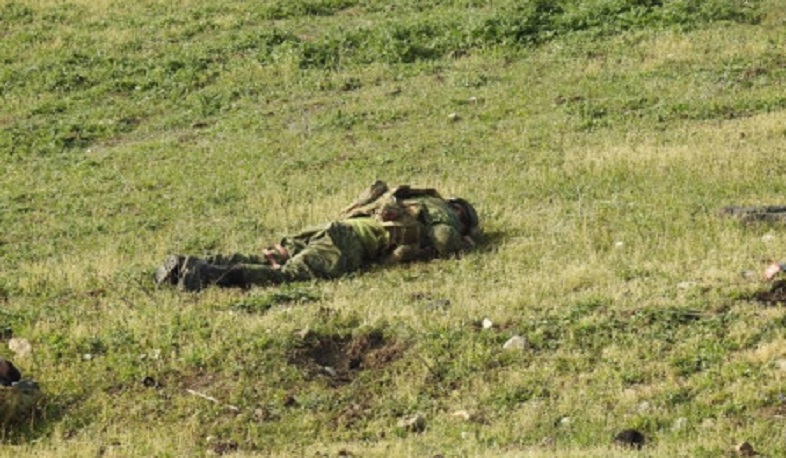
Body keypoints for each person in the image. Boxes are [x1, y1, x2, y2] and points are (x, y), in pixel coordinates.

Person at [155, 181, 480, 292]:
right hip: (347, 244)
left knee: (270, 258)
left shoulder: (412, 198)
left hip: (331, 228)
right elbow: (442, 238)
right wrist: (463, 243)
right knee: (288, 276)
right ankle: (203, 275)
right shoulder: (442, 211)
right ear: (460, 212)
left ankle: (186, 264)